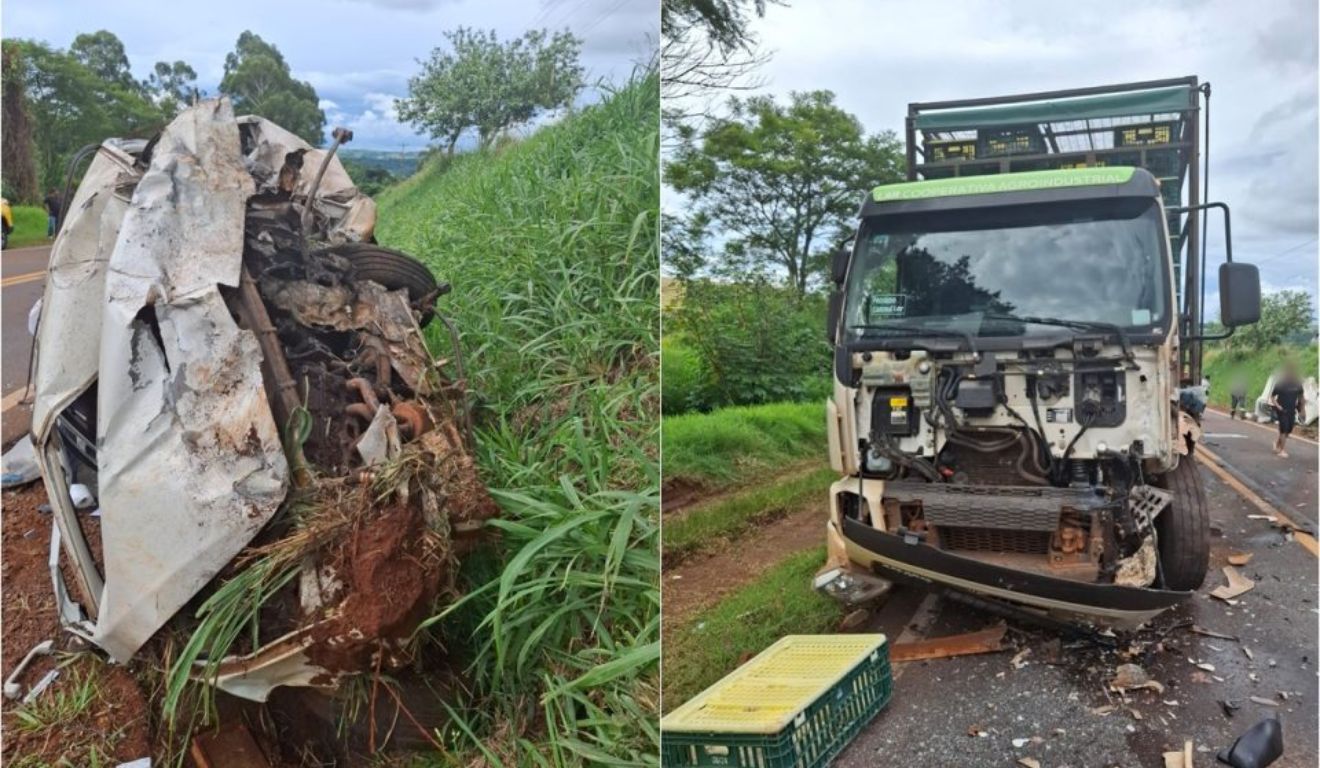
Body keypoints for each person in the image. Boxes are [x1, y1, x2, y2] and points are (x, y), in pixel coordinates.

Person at [1270, 362, 1306, 458]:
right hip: (1282, 410)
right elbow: (1272, 397)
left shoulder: (1298, 384)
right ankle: (1281, 450)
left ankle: (1276, 444)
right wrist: (1278, 406)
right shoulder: (1280, 384)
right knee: (1284, 429)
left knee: (1288, 430)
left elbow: (1301, 397)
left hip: (1292, 410)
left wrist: (1302, 410)